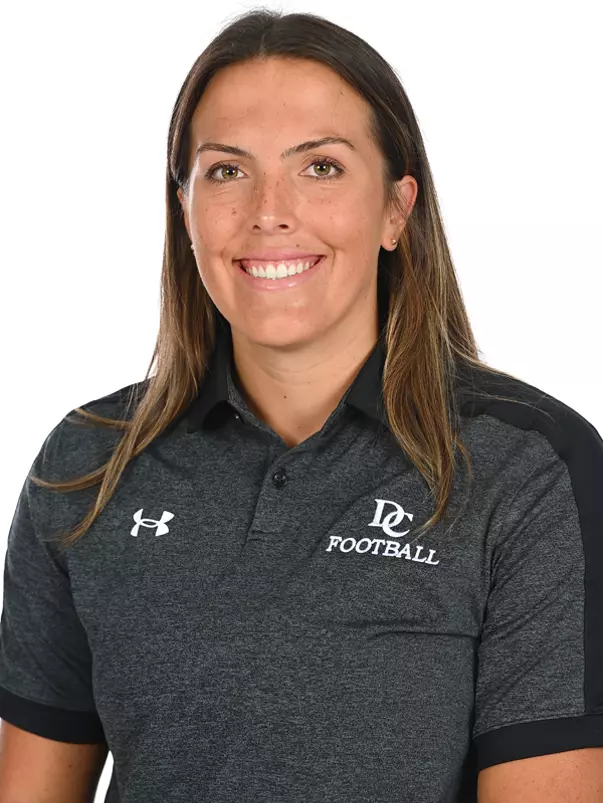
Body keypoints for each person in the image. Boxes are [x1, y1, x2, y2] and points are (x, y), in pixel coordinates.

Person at [1, 9, 602, 803]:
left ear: (396, 208)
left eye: (319, 166)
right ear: (183, 210)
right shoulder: (86, 467)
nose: (268, 211)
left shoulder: (524, 469)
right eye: (226, 170)